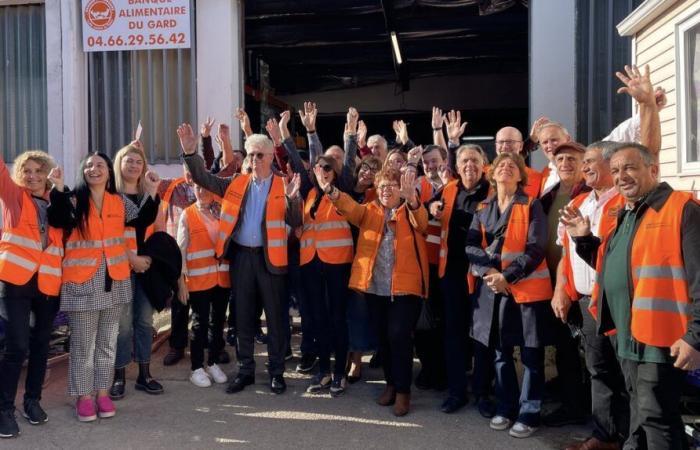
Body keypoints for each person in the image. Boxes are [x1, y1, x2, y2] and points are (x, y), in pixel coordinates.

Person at [564, 142, 700, 450]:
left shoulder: (681, 209)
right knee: (641, 418)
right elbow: (612, 266)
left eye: (629, 167)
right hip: (627, 336)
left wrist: (696, 337)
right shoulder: (627, 215)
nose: (621, 176)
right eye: (615, 170)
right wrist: (584, 241)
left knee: (656, 419)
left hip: (662, 342)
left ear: (653, 169)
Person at [178, 124, 302, 395]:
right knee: (243, 318)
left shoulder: (284, 185)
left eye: (260, 155)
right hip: (242, 259)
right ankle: (245, 370)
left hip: (271, 262)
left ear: (271, 157)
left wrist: (293, 200)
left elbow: (296, 221)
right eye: (250, 155)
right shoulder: (236, 183)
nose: (255, 160)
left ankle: (276, 371)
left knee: (276, 319)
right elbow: (204, 179)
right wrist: (190, 153)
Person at [47, 153, 159, 422]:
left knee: (107, 344)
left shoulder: (118, 201)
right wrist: (58, 188)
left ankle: (102, 393)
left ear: (109, 172)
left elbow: (142, 218)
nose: (93, 169)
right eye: (88, 165)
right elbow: (58, 218)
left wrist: (152, 190)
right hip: (82, 282)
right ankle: (83, 397)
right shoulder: (73, 199)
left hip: (115, 281)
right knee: (84, 345)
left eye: (99, 165)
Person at [321, 166, 429, 416]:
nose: (385, 190)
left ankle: (403, 392)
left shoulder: (410, 209)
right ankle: (390, 385)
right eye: (381, 187)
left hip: (406, 290)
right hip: (375, 288)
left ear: (401, 190)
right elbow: (350, 207)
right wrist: (331, 190)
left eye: (391, 186)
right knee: (384, 340)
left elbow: (422, 223)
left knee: (399, 337)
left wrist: (412, 198)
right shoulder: (369, 210)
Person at [466, 152, 552, 439]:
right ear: (492, 175)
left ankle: (530, 412)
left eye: (512, 166)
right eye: (501, 165)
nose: (506, 168)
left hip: (527, 291)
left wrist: (507, 276)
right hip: (494, 290)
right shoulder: (482, 207)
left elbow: (536, 247)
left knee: (530, 354)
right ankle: (506, 406)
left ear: (520, 176)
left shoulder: (532, 204)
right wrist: (491, 273)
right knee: (501, 353)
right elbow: (471, 245)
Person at [553, 141, 629, 450]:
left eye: (591, 161)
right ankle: (604, 435)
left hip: (619, 301)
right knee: (599, 370)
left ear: (612, 165)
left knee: (627, 374)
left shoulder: (626, 202)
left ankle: (630, 438)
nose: (584, 167)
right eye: (583, 162)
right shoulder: (580, 202)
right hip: (586, 301)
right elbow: (566, 255)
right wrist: (561, 289)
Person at [0, 151, 63, 438]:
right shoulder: (14, 197)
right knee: (17, 346)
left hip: (48, 284)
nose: (33, 176)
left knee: (41, 346)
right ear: (19, 173)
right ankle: (4, 409)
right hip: (15, 282)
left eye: (39, 171)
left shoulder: (58, 202)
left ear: (48, 174)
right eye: (27, 170)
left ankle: (32, 401)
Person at [426, 144, 491, 413]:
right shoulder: (449, 188)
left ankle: (483, 394)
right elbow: (432, 205)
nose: (469, 166)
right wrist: (432, 208)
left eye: (474, 160)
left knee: (483, 336)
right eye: (464, 160)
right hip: (452, 272)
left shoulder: (494, 188)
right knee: (453, 334)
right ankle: (456, 392)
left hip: (485, 273)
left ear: (484, 163)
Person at [539, 141, 591, 427]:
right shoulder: (549, 194)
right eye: (561, 159)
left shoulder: (589, 194)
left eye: (573, 158)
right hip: (550, 280)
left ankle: (576, 406)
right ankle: (570, 394)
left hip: (578, 284)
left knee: (579, 347)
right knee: (564, 345)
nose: (566, 163)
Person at [298, 155, 354, 396]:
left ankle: (339, 373)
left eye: (328, 167)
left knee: (337, 319)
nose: (322, 170)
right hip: (311, 262)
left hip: (337, 262)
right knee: (318, 318)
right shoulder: (310, 194)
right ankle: (323, 372)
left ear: (336, 171)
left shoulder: (343, 191)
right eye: (319, 167)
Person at [111, 142, 163, 399]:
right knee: (122, 326)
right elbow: (115, 231)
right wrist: (131, 257)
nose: (133, 165)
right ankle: (118, 376)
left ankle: (144, 374)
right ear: (119, 164)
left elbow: (153, 226)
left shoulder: (149, 194)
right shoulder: (110, 195)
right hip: (120, 266)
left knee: (144, 321)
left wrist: (152, 259)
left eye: (138, 162)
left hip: (146, 267)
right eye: (128, 160)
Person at [176, 183, 230, 388]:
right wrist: (180, 281)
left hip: (222, 278)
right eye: (198, 188)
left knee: (217, 322)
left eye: (206, 187)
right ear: (193, 191)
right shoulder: (187, 215)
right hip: (199, 280)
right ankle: (196, 367)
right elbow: (180, 250)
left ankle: (213, 362)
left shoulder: (221, 212)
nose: (203, 191)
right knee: (200, 324)